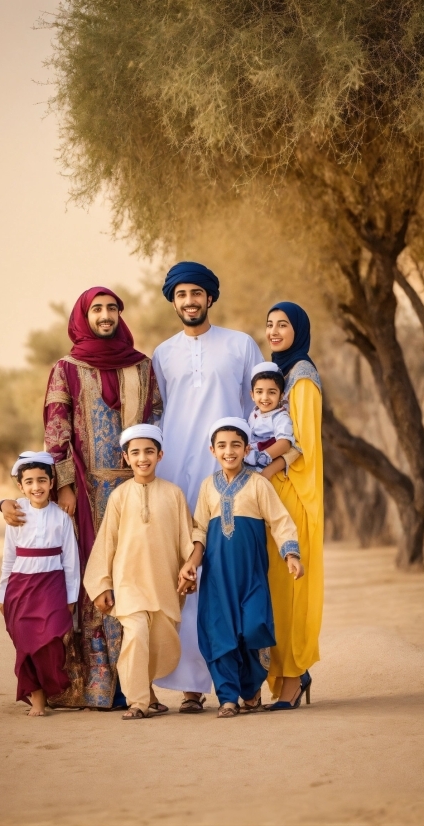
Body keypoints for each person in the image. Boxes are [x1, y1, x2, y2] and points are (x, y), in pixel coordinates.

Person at [0, 288, 162, 709]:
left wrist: (148, 473)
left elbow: (156, 416)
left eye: (112, 308)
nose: (105, 315)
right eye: (97, 309)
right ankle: (94, 684)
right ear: (84, 317)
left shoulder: (142, 367)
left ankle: (135, 685)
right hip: (86, 494)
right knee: (93, 577)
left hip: (134, 488)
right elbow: (56, 430)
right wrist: (65, 485)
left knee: (134, 574)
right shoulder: (65, 369)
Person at [151, 261, 266, 712]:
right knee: (187, 575)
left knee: (229, 580)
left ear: (210, 298)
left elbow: (258, 409)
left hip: (230, 477)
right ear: (173, 301)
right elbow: (161, 416)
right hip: (179, 474)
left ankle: (237, 683)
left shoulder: (240, 346)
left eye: (197, 293)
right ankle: (192, 686)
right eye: (181, 295)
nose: (189, 301)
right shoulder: (163, 354)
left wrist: (254, 467)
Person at [178, 418, 303, 718]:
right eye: (222, 445)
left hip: (251, 577)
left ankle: (250, 690)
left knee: (253, 628)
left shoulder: (259, 484)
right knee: (220, 635)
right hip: (217, 580)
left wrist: (291, 555)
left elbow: (280, 521)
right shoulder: (208, 487)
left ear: (247, 449)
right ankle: (227, 699)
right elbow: (199, 532)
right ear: (212, 450)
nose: (229, 451)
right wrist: (192, 564)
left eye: (236, 445)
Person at [85, 424, 194, 720]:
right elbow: (107, 541)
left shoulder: (173, 494)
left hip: (163, 583)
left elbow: (188, 537)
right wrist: (102, 584)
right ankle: (138, 702)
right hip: (129, 582)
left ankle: (149, 695)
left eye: (148, 451)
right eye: (135, 453)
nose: (142, 458)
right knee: (135, 635)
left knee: (158, 639)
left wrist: (189, 568)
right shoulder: (120, 496)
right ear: (126, 458)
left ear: (160, 455)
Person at [261, 301, 323, 710]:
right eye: (269, 324)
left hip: (292, 495)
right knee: (273, 590)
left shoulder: (301, 377)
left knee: (290, 591)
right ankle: (287, 672)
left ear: (297, 330)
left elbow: (305, 442)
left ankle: (293, 676)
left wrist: (270, 467)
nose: (274, 331)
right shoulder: (277, 374)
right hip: (273, 495)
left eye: (283, 324)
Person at [0, 451, 80, 717]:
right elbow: (8, 557)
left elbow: (71, 559)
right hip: (20, 588)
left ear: (52, 482)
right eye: (30, 481)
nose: (36, 487)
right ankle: (38, 701)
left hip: (53, 586)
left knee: (51, 643)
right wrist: (2, 594)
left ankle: (52, 688)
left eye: (42, 480)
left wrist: (71, 597)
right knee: (25, 645)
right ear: (21, 486)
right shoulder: (17, 514)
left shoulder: (62, 516)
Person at [244, 362, 294, 472]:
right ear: (252, 395)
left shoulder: (280, 417)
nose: (265, 397)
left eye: (271, 392)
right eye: (259, 392)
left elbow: (285, 443)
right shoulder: (254, 412)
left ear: (281, 395)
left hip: (264, 465)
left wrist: (262, 457)